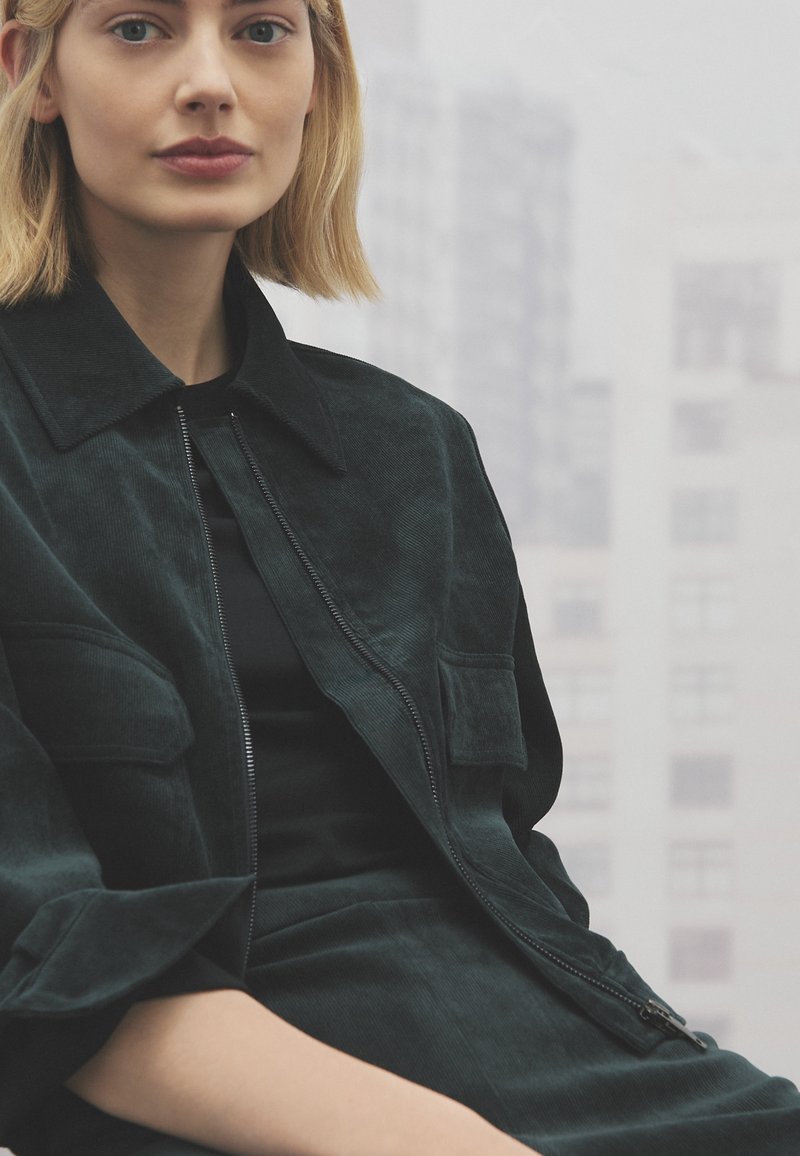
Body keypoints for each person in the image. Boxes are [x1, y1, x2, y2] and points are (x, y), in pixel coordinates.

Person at [0, 0, 797, 1153]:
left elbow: (504, 860)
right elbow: (45, 962)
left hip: (555, 1054)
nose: (210, 81)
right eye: (139, 28)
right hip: (248, 1094)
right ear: (32, 70)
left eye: (261, 30)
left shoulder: (410, 447)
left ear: (317, 78)